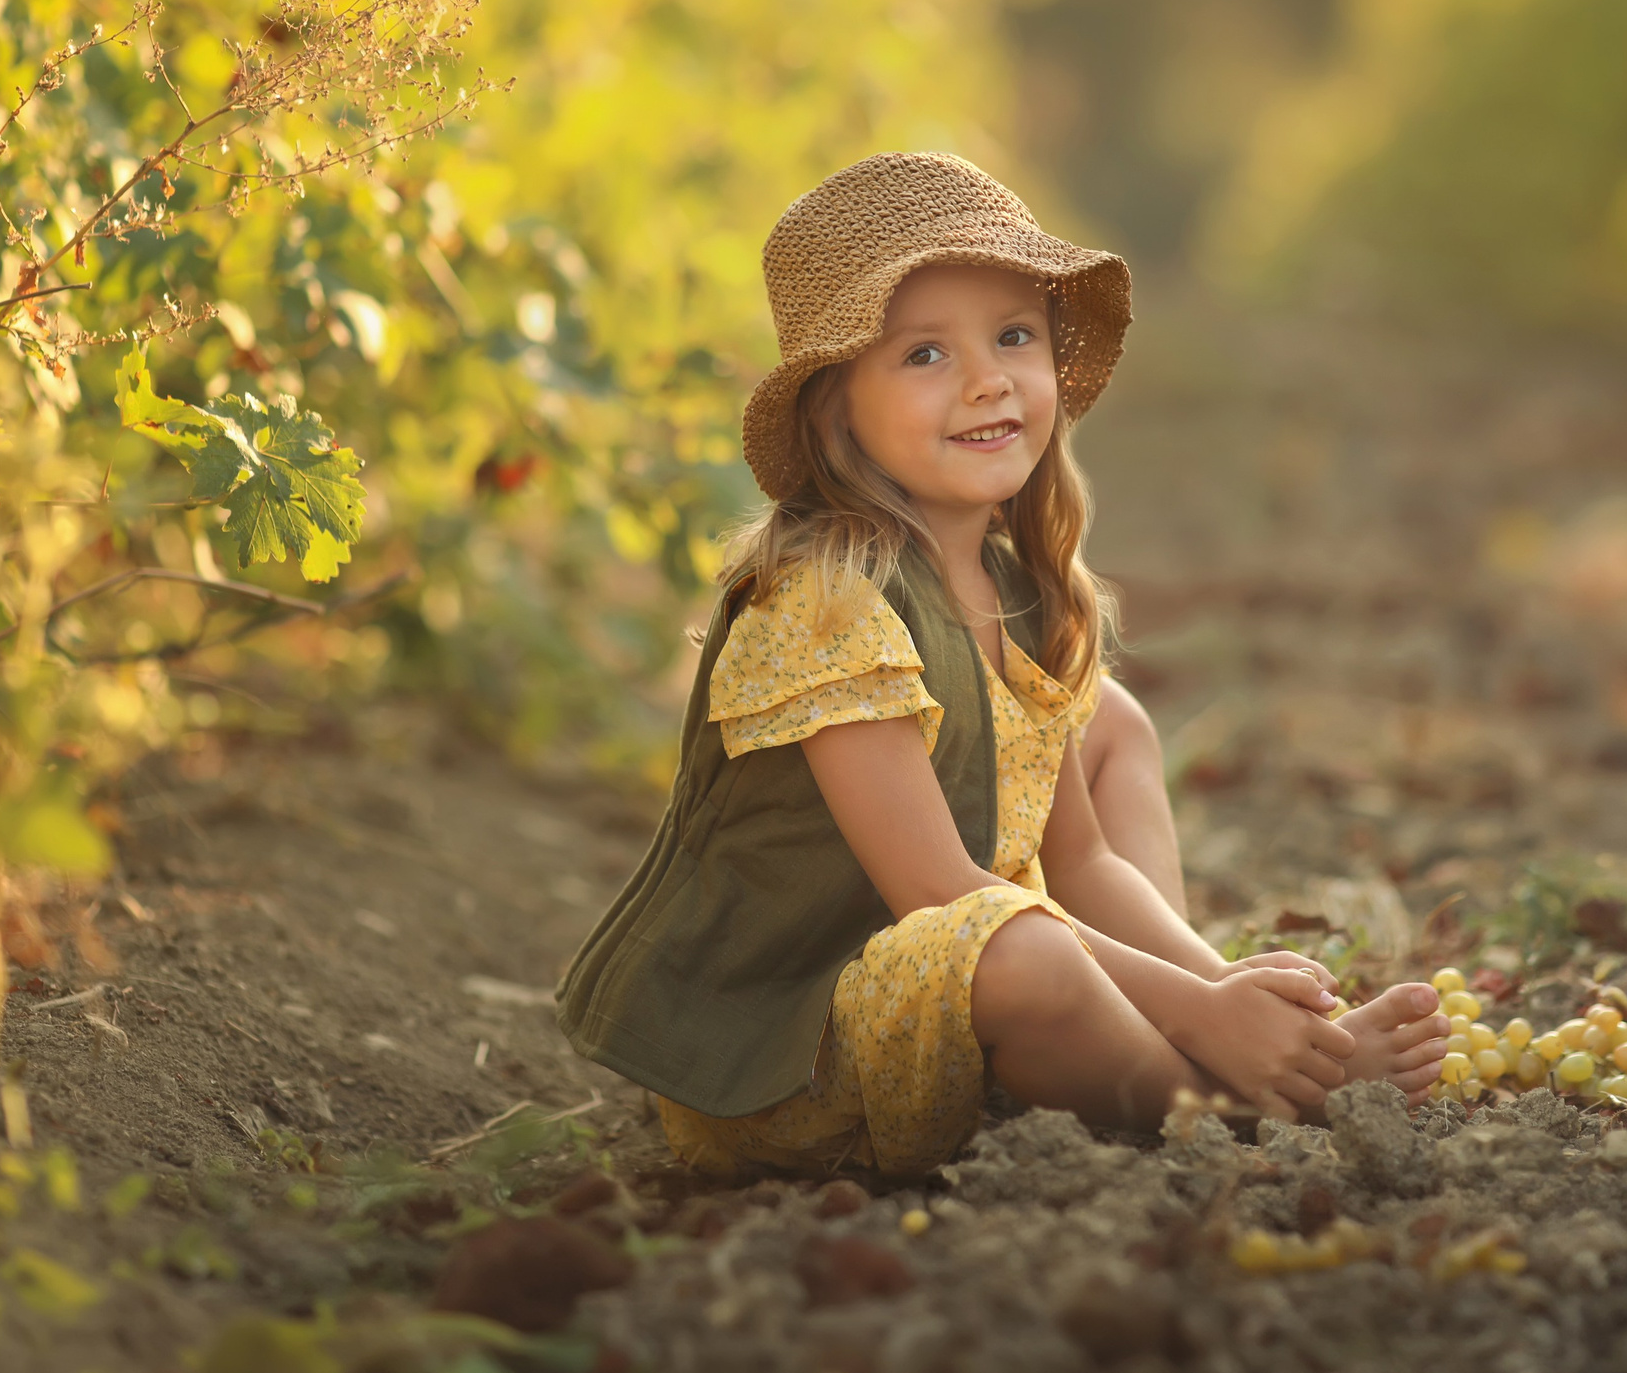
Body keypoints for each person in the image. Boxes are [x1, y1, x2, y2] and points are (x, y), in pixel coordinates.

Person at [557, 152, 1446, 1178]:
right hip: (801, 1051)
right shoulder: (823, 601)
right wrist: (1205, 1018)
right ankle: (1221, 1097)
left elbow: (1082, 862)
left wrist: (1223, 992)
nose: (987, 378)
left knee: (1109, 724)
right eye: (925, 353)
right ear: (837, 409)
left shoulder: (1016, 589)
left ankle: (1219, 1052)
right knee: (1026, 951)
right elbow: (940, 892)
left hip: (966, 964)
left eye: (1014, 336)